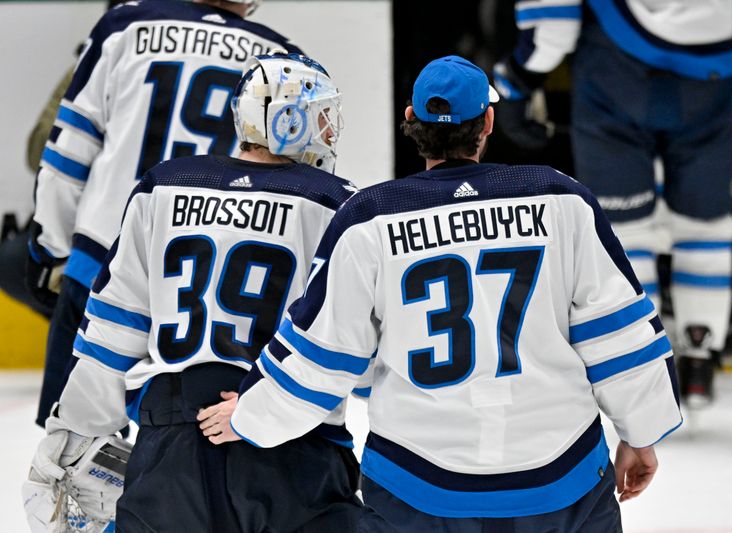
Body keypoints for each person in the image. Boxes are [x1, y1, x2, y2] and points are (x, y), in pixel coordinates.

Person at [200, 55, 682, 531]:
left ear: (410, 120)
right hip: (562, 484)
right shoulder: (561, 200)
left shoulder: (369, 218)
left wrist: (252, 416)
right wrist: (640, 435)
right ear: (488, 121)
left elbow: (323, 355)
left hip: (416, 493)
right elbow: (618, 334)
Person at [26, 52, 361, 532]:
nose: (330, 132)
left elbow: (114, 326)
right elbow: (352, 347)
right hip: (291, 449)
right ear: (289, 120)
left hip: (171, 446)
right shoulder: (337, 204)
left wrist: (73, 431)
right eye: (322, 117)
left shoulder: (164, 185)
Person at [27, 0, 304, 428]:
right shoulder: (279, 59)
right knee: (184, 464)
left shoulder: (126, 24)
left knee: (69, 449)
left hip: (101, 257)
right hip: (205, 276)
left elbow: (68, 149)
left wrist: (52, 245)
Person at [491, 1, 732, 408]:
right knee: (704, 221)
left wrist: (515, 83)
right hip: (711, 68)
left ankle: (647, 369)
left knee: (626, 228)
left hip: (616, 72)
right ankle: (700, 356)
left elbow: (555, 26)